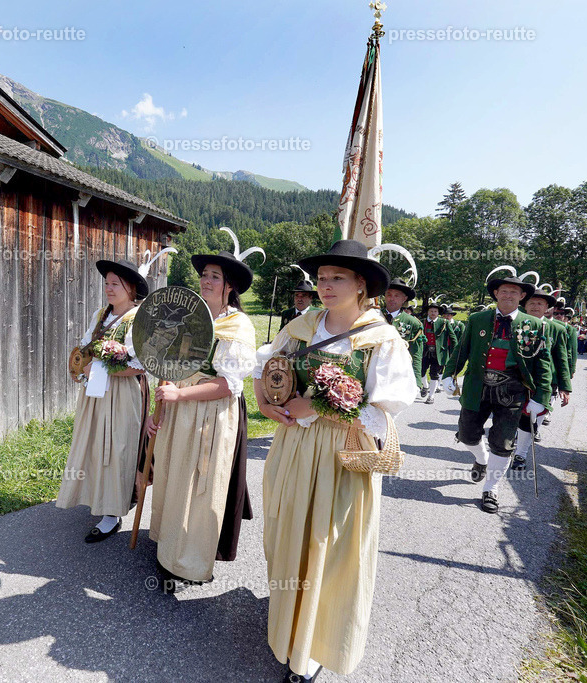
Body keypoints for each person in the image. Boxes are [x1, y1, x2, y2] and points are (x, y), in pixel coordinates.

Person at [254, 240, 417, 682]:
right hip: (292, 447)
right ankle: (287, 621)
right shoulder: (302, 324)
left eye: (336, 278)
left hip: (341, 455)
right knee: (287, 530)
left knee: (330, 544)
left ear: (361, 285)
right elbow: (266, 369)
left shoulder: (380, 339)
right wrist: (266, 404)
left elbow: (384, 412)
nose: (325, 286)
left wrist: (320, 407)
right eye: (321, 278)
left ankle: (315, 645)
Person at [147, 236, 260, 591]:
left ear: (230, 287)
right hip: (179, 408)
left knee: (200, 484)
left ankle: (190, 561)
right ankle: (168, 545)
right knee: (173, 473)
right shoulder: (190, 317)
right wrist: (159, 409)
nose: (207, 281)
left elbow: (228, 385)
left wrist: (180, 394)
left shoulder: (237, 327)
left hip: (210, 413)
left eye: (215, 277)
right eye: (205, 275)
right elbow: (167, 362)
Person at [442, 267, 552, 514]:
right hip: (477, 386)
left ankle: (491, 488)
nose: (509, 296)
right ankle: (481, 459)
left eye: (515, 292)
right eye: (504, 291)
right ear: (496, 293)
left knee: (502, 443)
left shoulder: (534, 324)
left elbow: (543, 363)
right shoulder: (476, 319)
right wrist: (450, 374)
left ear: (522, 296)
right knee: (467, 433)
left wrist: (541, 398)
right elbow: (462, 350)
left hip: (512, 391)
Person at [56, 258, 150, 542]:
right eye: (106, 283)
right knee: (95, 444)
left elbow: (139, 364)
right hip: (95, 392)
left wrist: (99, 367)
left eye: (115, 283)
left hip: (122, 394)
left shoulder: (139, 320)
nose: (108, 288)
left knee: (116, 448)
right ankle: (97, 496)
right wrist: (80, 366)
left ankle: (112, 513)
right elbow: (87, 349)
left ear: (130, 287)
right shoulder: (101, 314)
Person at [512, 287, 572, 467]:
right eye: (531, 302)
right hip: (516, 379)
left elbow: (562, 359)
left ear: (547, 307)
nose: (535, 306)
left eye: (540, 303)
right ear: (525, 305)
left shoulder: (556, 328)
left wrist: (565, 387)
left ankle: (520, 454)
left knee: (532, 418)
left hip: (545, 382)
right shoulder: (515, 323)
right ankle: (506, 448)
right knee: (514, 415)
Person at [382, 277, 424, 393]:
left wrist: (417, 381)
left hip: (399, 372)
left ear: (404, 299)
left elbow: (416, 354)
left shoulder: (413, 323)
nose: (392, 298)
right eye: (389, 294)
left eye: (397, 295)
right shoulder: (373, 316)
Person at [419, 299, 457, 404]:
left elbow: (453, 337)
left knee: (434, 374)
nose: (433, 313)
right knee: (421, 372)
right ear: (428, 312)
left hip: (439, 353)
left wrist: (456, 351)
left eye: (435, 311)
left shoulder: (444, 322)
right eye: (431, 311)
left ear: (438, 313)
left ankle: (431, 396)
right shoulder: (422, 322)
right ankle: (425, 387)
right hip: (424, 352)